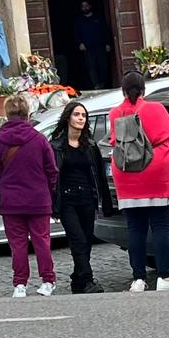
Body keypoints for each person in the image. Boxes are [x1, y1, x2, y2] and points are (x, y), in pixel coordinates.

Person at [109, 69, 169, 292]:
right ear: (144, 89)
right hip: (156, 172)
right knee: (161, 226)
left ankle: (138, 279)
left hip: (127, 174)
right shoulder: (156, 109)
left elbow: (114, 140)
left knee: (135, 228)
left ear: (123, 91)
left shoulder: (115, 113)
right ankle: (165, 277)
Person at [0, 94, 60, 297]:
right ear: (27, 113)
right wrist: (48, 189)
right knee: (42, 241)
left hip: (11, 200)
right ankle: (48, 280)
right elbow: (51, 169)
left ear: (7, 114)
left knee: (18, 244)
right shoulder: (39, 139)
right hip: (38, 198)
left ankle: (20, 284)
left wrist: (1, 187)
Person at [48, 101, 113, 293]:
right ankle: (87, 279)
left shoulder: (90, 146)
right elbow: (52, 178)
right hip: (67, 200)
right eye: (77, 115)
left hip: (87, 198)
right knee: (77, 240)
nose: (81, 119)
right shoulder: (56, 146)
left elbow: (99, 177)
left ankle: (77, 280)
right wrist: (54, 205)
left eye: (83, 116)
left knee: (86, 240)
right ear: (68, 118)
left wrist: (105, 203)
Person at [74, 0, 113, 91]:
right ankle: (96, 85)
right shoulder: (79, 20)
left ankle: (103, 83)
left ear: (90, 6)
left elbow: (106, 31)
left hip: (101, 46)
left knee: (103, 66)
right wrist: (80, 43)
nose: (85, 7)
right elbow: (76, 33)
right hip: (88, 48)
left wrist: (108, 43)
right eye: (83, 6)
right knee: (91, 67)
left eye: (86, 5)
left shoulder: (98, 18)